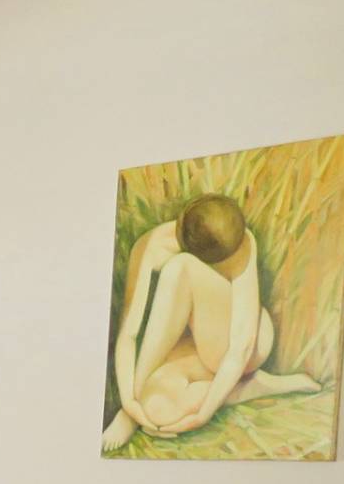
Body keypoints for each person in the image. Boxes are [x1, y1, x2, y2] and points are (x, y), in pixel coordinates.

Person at [102, 193, 319, 451]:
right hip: (195, 339)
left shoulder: (240, 241)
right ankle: (254, 386)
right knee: (158, 407)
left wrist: (202, 415)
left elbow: (240, 348)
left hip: (246, 341)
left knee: (180, 267)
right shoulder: (151, 246)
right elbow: (129, 333)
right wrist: (130, 402)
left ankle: (250, 385)